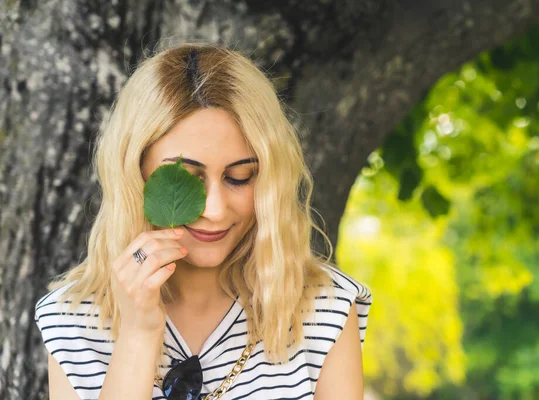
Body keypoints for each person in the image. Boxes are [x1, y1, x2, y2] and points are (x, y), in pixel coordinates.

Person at [33, 42, 372, 400]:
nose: (214, 209)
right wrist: (137, 334)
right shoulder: (72, 319)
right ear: (135, 172)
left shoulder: (326, 309)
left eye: (240, 177)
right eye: (186, 179)